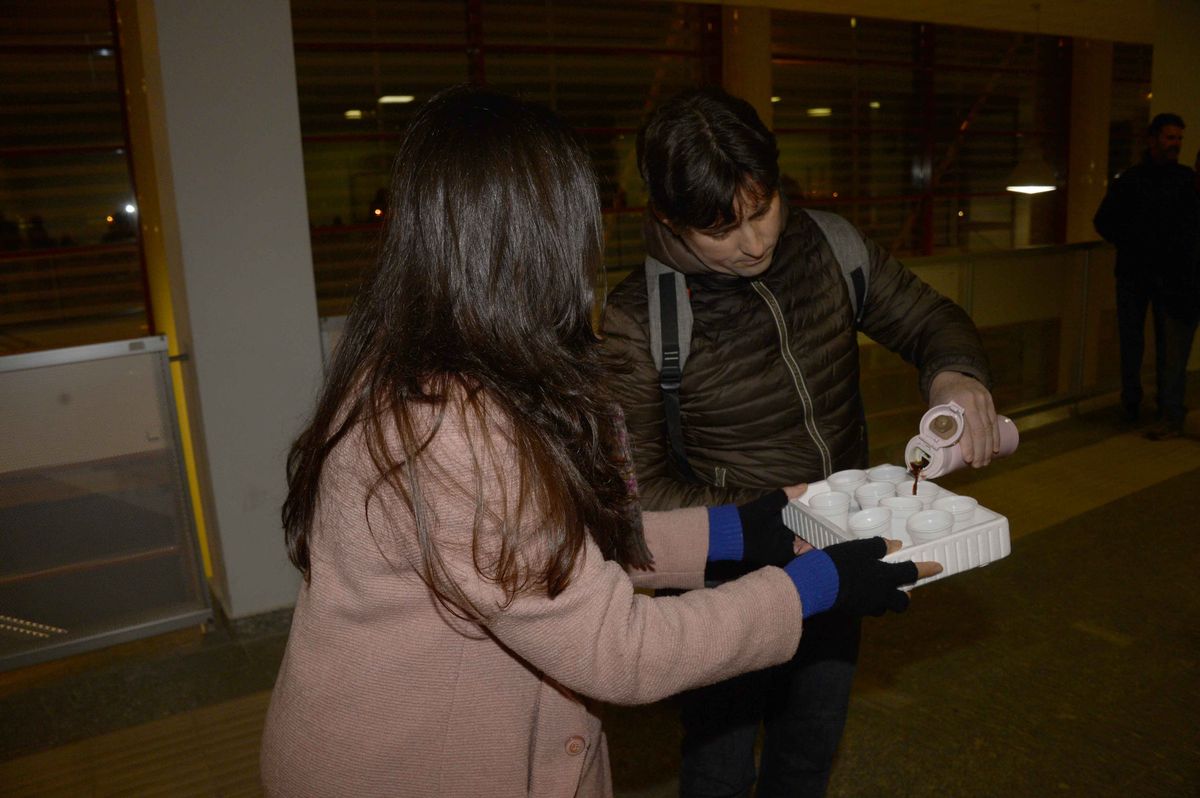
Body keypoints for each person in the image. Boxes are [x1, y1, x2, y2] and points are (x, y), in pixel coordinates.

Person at [258, 86, 939, 798]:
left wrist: (740, 528)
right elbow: (619, 648)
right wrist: (812, 587)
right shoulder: (450, 427)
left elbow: (550, 547)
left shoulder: (420, 367)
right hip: (407, 769)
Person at [600, 86, 999, 798]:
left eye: (764, 209)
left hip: (840, 563)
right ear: (667, 216)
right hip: (728, 585)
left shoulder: (831, 246)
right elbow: (642, 502)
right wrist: (788, 519)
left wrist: (955, 377)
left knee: (807, 757)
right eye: (722, 230)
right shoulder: (640, 321)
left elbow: (929, 317)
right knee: (718, 769)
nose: (755, 242)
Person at [1094, 112, 1199, 440]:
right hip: (1141, 276)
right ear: (1153, 140)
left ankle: (1152, 406)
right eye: (1170, 138)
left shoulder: (1177, 180)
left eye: (1179, 139)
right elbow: (1105, 221)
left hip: (1163, 277)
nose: (1175, 145)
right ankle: (1138, 403)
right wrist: (1135, 242)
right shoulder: (1135, 181)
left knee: (1162, 345)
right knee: (1138, 343)